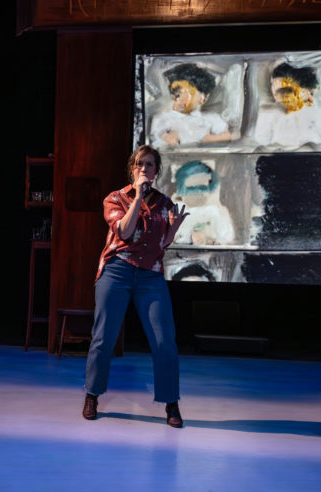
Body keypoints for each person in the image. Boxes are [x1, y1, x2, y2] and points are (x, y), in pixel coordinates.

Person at [83, 145, 189, 428]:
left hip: (149, 276)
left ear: (156, 171)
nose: (144, 168)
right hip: (117, 270)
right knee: (103, 338)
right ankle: (92, 394)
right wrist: (138, 196)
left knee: (164, 341)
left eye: (150, 164)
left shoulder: (164, 203)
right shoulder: (115, 199)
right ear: (132, 169)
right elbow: (125, 232)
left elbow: (161, 244)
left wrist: (173, 228)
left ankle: (171, 403)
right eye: (140, 164)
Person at [149, 63, 234, 149]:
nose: (180, 98)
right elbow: (156, 142)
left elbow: (230, 136)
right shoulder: (163, 119)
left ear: (203, 98)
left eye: (189, 93)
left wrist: (208, 139)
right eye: (176, 93)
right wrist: (166, 138)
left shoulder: (212, 119)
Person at [253, 62, 321, 149]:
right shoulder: (268, 114)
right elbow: (261, 142)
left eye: (285, 90)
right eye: (273, 85)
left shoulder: (318, 115)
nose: (276, 93)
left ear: (305, 91)